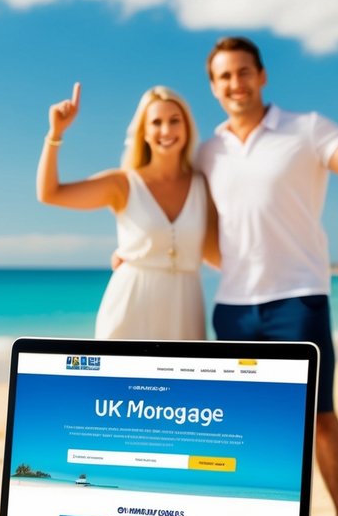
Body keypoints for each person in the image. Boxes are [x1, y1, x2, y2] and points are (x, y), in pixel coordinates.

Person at [197, 36, 338, 516]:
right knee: (243, 422)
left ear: (262, 76)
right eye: (224, 76)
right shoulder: (207, 152)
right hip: (233, 307)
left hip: (298, 299)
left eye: (243, 72)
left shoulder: (307, 128)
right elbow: (196, 227)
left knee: (318, 414)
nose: (235, 83)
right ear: (213, 86)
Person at [37, 83, 217, 339]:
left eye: (174, 120)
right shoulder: (123, 184)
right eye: (156, 122)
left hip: (185, 308)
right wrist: (55, 133)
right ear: (144, 132)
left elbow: (218, 253)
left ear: (187, 127)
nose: (166, 130)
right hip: (131, 306)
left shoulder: (203, 185)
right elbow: (50, 193)